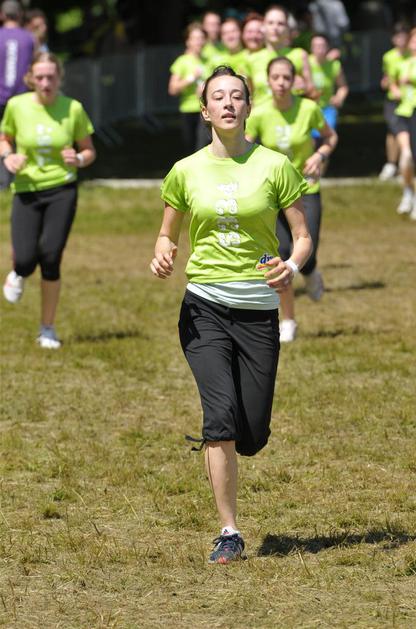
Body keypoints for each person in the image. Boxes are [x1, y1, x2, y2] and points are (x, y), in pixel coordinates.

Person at [150, 65, 312, 564]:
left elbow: (302, 237)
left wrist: (290, 267)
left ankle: (243, 439)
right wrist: (163, 251)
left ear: (247, 106)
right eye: (218, 96)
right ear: (204, 111)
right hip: (204, 308)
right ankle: (229, 531)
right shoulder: (185, 170)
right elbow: (167, 232)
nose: (227, 103)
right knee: (219, 418)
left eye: (236, 96)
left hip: (258, 312)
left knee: (253, 434)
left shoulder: (275, 165)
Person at [0, 51, 96, 348]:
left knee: (51, 257)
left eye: (51, 77)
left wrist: (79, 158)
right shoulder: (16, 106)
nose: (45, 83)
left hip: (62, 189)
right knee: (26, 259)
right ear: (30, 78)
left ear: (59, 78)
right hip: (27, 189)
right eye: (40, 77)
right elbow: (4, 139)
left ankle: (47, 328)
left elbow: (89, 150)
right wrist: (8, 156)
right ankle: (19, 272)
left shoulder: (73, 108)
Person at [246, 57, 337, 342]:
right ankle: (288, 320)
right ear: (268, 81)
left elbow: (330, 137)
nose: (281, 83)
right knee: (280, 254)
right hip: (273, 193)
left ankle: (311, 273)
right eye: (276, 77)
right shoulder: (259, 112)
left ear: (295, 80)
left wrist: (319, 155)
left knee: (306, 252)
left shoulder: (308, 108)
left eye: (287, 77)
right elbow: (244, 146)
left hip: (306, 188)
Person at [244, 5, 313, 109]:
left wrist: (304, 87)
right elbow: (247, 98)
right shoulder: (251, 59)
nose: (275, 28)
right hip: (260, 117)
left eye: (280, 24)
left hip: (293, 117)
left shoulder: (299, 55)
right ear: (263, 27)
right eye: (270, 23)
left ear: (287, 28)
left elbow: (313, 93)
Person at [0, 0, 34, 189]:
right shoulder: (28, 38)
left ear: (2, 15)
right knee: (16, 138)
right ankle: (14, 176)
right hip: (21, 97)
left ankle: (3, 180)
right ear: (20, 15)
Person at [309, 32, 348, 173]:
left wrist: (339, 98)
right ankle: (307, 170)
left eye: (322, 46)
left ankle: (320, 173)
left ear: (328, 47)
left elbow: (343, 87)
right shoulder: (306, 63)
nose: (319, 49)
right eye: (316, 46)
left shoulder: (334, 65)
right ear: (311, 48)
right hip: (309, 109)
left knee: (326, 139)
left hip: (327, 110)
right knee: (310, 141)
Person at [168, 22, 207, 154]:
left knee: (202, 149)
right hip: (188, 110)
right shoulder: (182, 61)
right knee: (190, 150)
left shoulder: (208, 61)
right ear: (188, 41)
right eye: (195, 38)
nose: (198, 42)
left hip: (205, 111)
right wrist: (191, 78)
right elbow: (172, 89)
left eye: (201, 38)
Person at [379, 24, 410, 185]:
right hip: (394, 99)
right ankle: (391, 164)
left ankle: (404, 166)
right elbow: (387, 78)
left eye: (404, 36)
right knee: (393, 130)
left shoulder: (412, 55)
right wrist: (391, 86)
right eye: (398, 37)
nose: (402, 40)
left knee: (406, 133)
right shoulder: (389, 57)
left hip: (409, 100)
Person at [392, 26, 416, 219]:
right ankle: (408, 190)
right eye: (413, 40)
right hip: (403, 112)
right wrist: (394, 89)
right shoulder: (403, 63)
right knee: (406, 155)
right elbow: (392, 81)